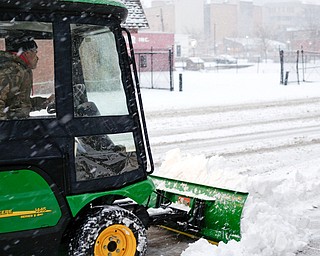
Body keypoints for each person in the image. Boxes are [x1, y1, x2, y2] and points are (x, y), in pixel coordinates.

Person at [0, 36, 54, 119]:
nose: (37, 58)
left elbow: (20, 104)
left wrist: (47, 102)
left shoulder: (20, 69)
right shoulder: (12, 71)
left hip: (17, 126)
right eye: (35, 52)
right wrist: (5, 129)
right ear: (27, 53)